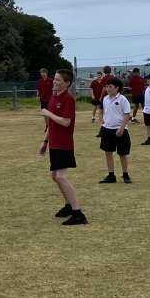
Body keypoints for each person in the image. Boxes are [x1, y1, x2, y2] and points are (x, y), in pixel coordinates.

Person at [38, 70, 87, 226]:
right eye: (55, 79)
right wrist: (45, 142)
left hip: (64, 144)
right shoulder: (54, 97)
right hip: (54, 143)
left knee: (60, 176)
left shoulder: (68, 99)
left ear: (67, 83)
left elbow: (66, 122)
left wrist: (47, 113)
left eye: (58, 80)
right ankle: (68, 206)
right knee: (54, 176)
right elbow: (52, 125)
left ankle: (78, 213)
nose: (55, 82)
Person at [98, 76, 133, 183]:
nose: (108, 89)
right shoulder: (105, 99)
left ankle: (125, 174)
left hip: (120, 130)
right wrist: (102, 122)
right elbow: (101, 110)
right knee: (108, 153)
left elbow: (127, 114)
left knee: (122, 153)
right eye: (107, 86)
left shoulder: (123, 99)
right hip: (107, 130)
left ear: (117, 88)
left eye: (110, 86)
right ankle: (111, 175)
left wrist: (122, 128)